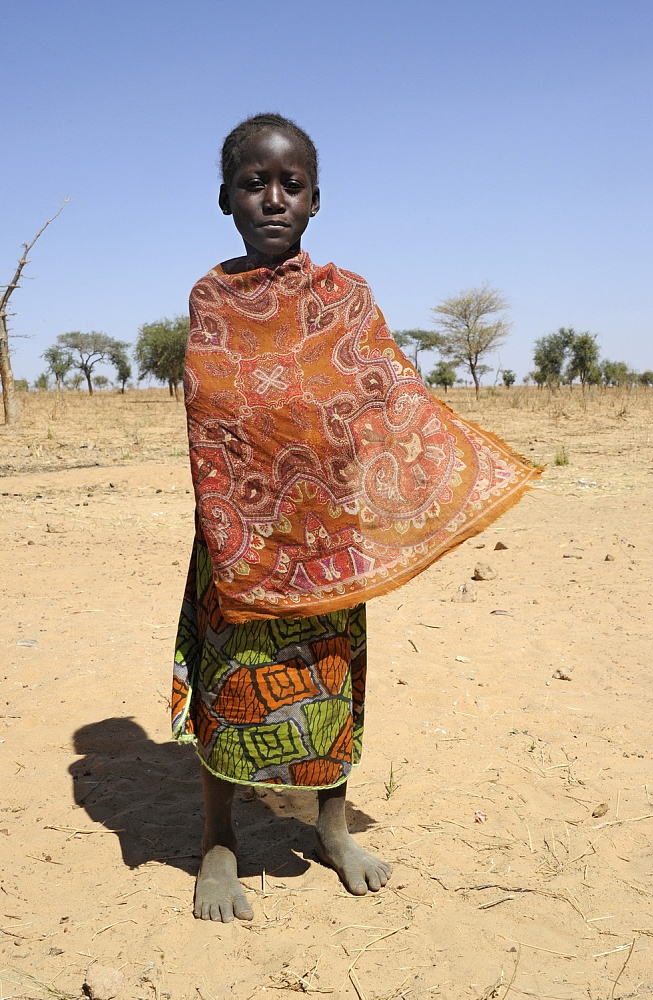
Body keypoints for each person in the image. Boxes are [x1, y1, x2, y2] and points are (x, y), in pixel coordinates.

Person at [171, 113, 538, 922]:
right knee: (232, 686)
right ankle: (220, 842)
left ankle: (333, 828)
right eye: (253, 183)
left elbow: (386, 398)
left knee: (332, 686)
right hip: (240, 541)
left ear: (316, 199)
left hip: (329, 538)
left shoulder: (348, 297)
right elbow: (214, 411)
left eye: (291, 185)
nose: (273, 198)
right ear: (224, 198)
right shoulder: (211, 298)